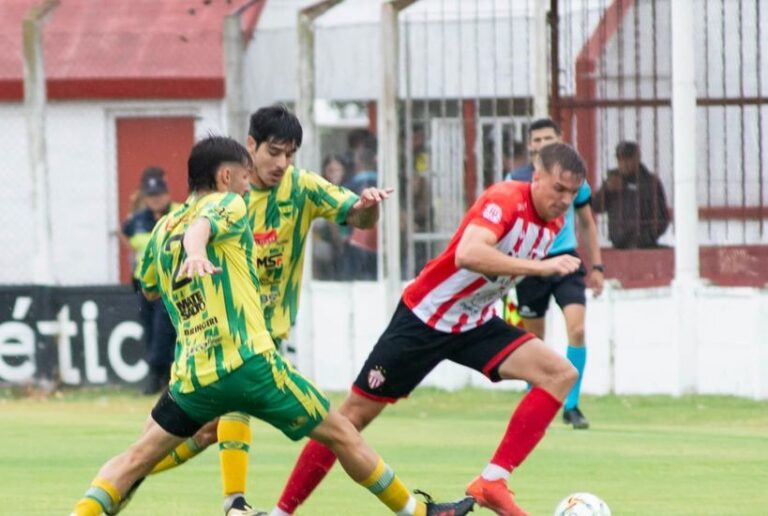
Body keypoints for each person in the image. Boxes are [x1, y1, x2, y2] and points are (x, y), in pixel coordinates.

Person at [70, 135, 474, 516]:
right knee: (342, 433)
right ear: (225, 177)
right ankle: (419, 511)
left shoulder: (160, 230)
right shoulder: (227, 204)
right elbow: (202, 228)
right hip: (251, 363)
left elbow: (151, 290)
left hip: (193, 376)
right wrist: (196, 251)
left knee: (135, 458)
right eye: (245, 179)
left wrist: (188, 273)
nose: (249, 189)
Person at [270, 142, 587, 516]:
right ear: (536, 177)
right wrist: (542, 268)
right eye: (558, 189)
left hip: (474, 323)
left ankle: (492, 481)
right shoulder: (505, 199)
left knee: (559, 373)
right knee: (350, 419)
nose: (565, 200)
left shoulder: (552, 222)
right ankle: (281, 512)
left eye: (572, 193)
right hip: (425, 318)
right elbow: (468, 254)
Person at [504, 118, 604, 429]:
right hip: (531, 264)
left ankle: (571, 406)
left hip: (565, 262)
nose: (543, 143)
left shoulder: (576, 180)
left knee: (577, 329)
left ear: (559, 139)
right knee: (533, 340)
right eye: (537, 139)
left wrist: (597, 266)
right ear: (530, 145)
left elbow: (587, 222)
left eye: (549, 137)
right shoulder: (517, 179)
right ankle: (534, 403)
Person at [118, 168, 177, 394]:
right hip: (143, 282)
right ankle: (160, 374)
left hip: (169, 283)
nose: (156, 200)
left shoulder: (178, 213)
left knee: (164, 328)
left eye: (159, 195)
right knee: (151, 328)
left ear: (167, 194)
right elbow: (124, 234)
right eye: (151, 196)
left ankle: (158, 373)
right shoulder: (137, 219)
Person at [592, 140, 670, 249]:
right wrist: (607, 190)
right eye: (620, 159)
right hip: (618, 247)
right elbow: (596, 207)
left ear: (637, 158)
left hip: (645, 248)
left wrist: (644, 239)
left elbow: (661, 218)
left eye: (628, 158)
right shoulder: (613, 181)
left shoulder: (650, 182)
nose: (624, 163)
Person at [341, 144, 379, 280]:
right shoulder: (383, 182)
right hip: (379, 240)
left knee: (355, 279)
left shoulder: (349, 186)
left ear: (358, 162)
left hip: (356, 240)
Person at [312, 154, 349, 280]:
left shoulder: (349, 193)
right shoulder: (319, 194)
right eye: (331, 170)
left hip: (345, 248)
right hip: (323, 247)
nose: (334, 174)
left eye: (338, 170)